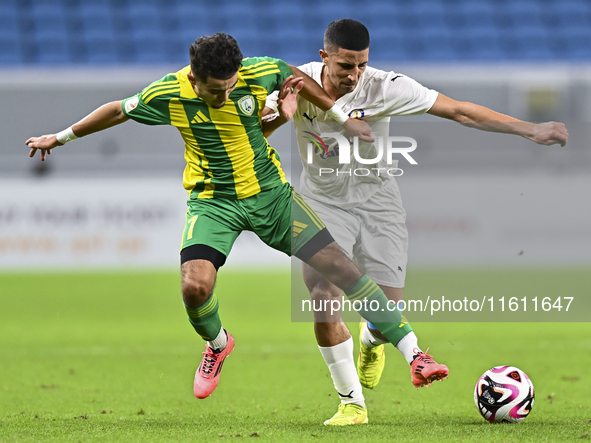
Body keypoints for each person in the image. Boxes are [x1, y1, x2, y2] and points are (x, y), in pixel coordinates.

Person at [25, 33, 417, 419]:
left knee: (342, 270)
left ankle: (414, 354)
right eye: (216, 91)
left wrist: (339, 117)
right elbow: (116, 110)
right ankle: (217, 343)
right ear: (194, 80)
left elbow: (296, 78)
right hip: (212, 202)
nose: (226, 96)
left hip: (269, 196)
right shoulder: (167, 93)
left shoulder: (257, 72)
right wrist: (57, 139)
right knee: (194, 287)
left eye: (231, 87)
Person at [263, 19, 568, 426]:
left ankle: (374, 337)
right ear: (324, 58)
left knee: (388, 312)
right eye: (344, 66)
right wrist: (281, 116)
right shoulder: (298, 86)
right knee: (322, 293)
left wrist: (529, 129)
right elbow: (255, 133)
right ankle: (351, 404)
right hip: (323, 202)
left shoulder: (386, 87)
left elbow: (459, 111)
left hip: (378, 201)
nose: (354, 75)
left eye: (361, 65)